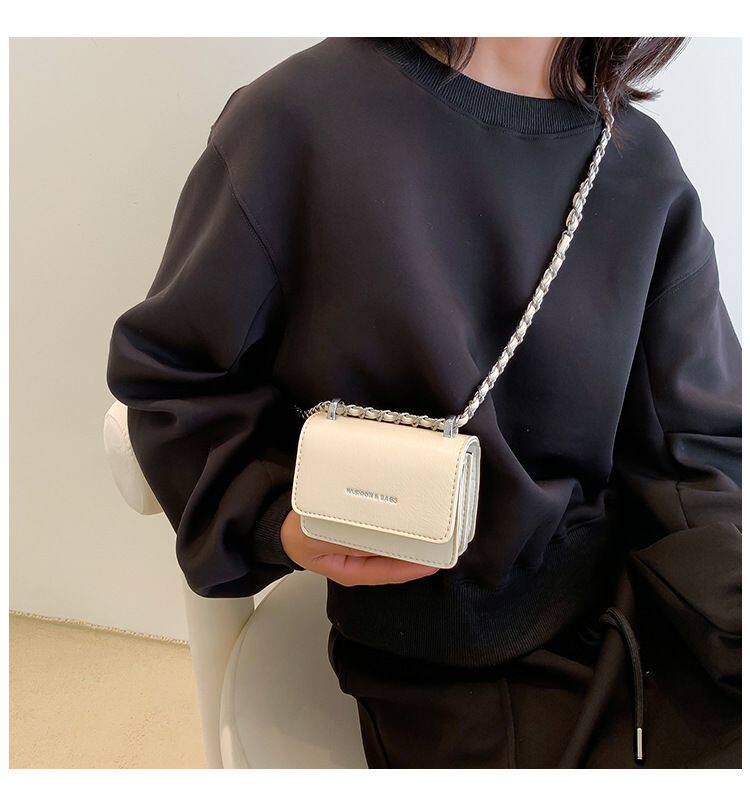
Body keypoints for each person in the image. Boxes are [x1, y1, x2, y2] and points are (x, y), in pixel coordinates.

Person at [107, 38, 741, 768]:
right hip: (443, 660)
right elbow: (175, 377)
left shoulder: (641, 164)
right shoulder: (299, 120)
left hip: (644, 607)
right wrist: (274, 515)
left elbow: (697, 446)